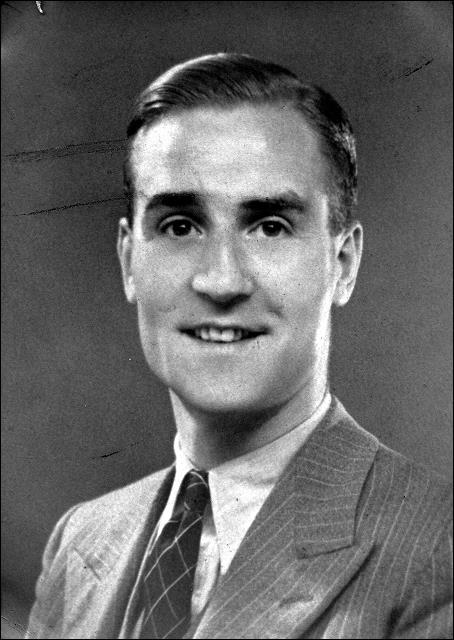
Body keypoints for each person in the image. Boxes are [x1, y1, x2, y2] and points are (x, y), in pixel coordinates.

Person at [26, 53, 452, 640]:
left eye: (270, 226)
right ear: (129, 261)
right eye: (180, 226)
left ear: (344, 263)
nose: (221, 280)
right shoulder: (79, 542)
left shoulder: (436, 547)